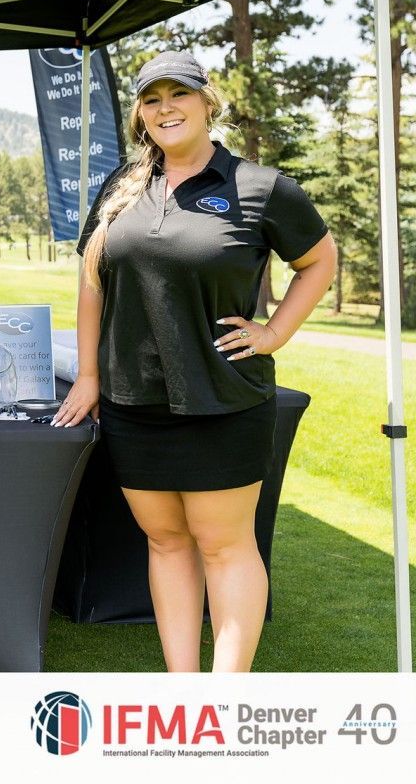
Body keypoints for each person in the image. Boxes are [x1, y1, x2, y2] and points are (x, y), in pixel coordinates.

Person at [52, 50, 336, 672]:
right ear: (139, 117)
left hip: (224, 399)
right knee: (166, 541)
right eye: (151, 100)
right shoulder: (121, 188)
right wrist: (93, 376)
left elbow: (320, 260)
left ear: (208, 104)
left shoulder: (261, 188)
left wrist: (274, 332)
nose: (165, 109)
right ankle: (184, 692)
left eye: (178, 95)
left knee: (226, 547)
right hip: (135, 406)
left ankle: (224, 704)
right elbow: (92, 286)